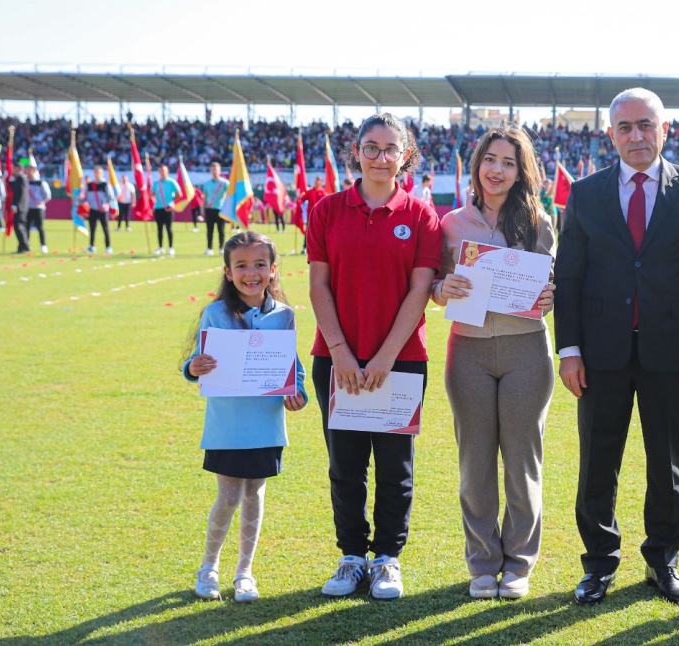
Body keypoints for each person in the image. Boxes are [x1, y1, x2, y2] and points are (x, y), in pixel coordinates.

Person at [554, 87, 679, 607]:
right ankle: (599, 564)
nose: (636, 135)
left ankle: (663, 562)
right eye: (625, 127)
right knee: (597, 465)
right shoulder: (584, 194)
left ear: (664, 130)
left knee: (668, 465)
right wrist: (570, 350)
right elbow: (570, 278)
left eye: (645, 125)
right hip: (600, 356)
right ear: (611, 135)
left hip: (672, 356)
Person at [308, 113, 442, 601]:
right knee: (345, 465)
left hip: (401, 361)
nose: (381, 157)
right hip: (336, 358)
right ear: (356, 151)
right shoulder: (327, 209)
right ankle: (350, 557)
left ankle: (386, 558)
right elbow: (318, 286)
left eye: (391, 149)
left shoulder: (422, 215)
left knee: (394, 467)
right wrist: (342, 351)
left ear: (405, 155)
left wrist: (385, 356)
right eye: (372, 147)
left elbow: (419, 291)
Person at [432, 125, 556, 600]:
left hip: (527, 351)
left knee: (523, 463)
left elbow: (550, 284)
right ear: (477, 163)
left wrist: (549, 296)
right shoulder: (451, 224)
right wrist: (444, 290)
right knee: (475, 464)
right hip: (468, 353)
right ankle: (482, 562)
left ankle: (519, 564)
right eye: (490, 159)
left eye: (508, 161)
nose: (497, 169)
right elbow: (433, 285)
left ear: (521, 170)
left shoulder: (539, 222)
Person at [182, 230, 308, 603]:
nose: (250, 273)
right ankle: (208, 567)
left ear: (273, 270)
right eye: (241, 266)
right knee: (227, 496)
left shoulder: (284, 315)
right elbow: (196, 362)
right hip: (228, 423)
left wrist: (297, 392)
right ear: (227, 271)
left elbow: (293, 366)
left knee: (254, 493)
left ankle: (244, 573)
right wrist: (195, 366)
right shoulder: (215, 313)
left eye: (259, 265)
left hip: (266, 423)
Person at [85, 166, 116, 254]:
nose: (97, 173)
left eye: (98, 172)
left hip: (103, 210)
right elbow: (85, 197)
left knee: (105, 229)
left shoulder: (105, 184)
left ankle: (108, 246)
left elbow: (111, 196)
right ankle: (91, 246)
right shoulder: (90, 185)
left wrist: (106, 204)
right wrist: (77, 200)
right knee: (92, 229)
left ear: (102, 173)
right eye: (95, 172)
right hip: (93, 209)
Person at [202, 162, 229, 255]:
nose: (214, 171)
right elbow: (204, 197)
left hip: (220, 209)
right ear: (210, 170)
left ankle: (221, 248)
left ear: (220, 171)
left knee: (221, 230)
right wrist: (202, 209)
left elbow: (230, 196)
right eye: (212, 169)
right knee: (209, 230)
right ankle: (209, 248)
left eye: (216, 169)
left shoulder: (225, 183)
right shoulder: (207, 184)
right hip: (209, 209)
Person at [154, 164, 181, 256]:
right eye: (161, 170)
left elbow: (179, 194)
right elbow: (151, 194)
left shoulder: (172, 182)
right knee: (159, 228)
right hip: (158, 208)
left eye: (164, 170)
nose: (162, 172)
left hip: (168, 208)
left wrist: (171, 201)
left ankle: (170, 247)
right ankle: (160, 247)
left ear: (167, 171)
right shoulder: (156, 183)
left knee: (168, 228)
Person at [26, 162, 51, 253]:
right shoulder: (25, 181)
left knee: (40, 227)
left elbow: (47, 195)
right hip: (28, 208)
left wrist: (40, 201)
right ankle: (26, 244)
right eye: (27, 170)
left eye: (30, 170)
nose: (28, 172)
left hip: (38, 208)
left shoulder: (41, 182)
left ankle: (43, 245)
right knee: (27, 227)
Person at [8, 161, 31, 254]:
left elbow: (18, 193)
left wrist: (15, 205)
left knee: (18, 226)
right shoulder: (22, 178)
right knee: (20, 226)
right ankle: (21, 247)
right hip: (23, 206)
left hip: (20, 206)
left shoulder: (21, 178)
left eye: (13, 168)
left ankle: (25, 246)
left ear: (18, 168)